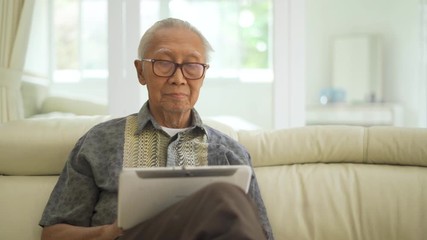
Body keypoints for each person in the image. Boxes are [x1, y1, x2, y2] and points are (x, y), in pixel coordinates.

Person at [39, 18, 274, 240]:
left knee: (225, 198)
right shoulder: (98, 142)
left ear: (203, 76)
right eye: (164, 63)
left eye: (192, 66)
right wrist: (109, 232)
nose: (178, 78)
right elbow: (52, 235)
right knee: (224, 195)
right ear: (141, 71)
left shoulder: (231, 154)